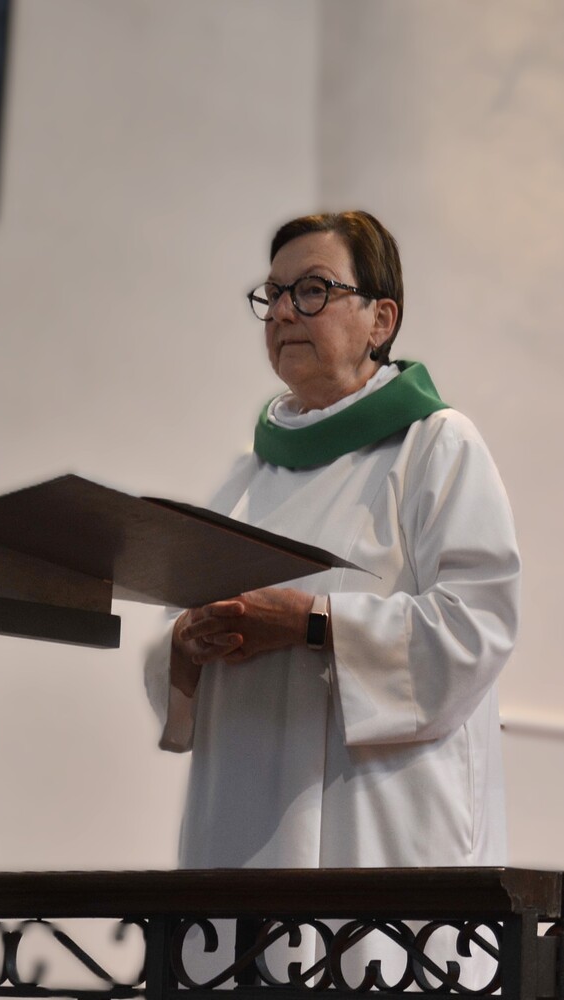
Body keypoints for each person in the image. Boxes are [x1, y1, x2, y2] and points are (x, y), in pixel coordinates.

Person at [144, 211, 519, 879]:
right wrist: (184, 643)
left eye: (312, 290)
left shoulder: (435, 445)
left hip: (379, 833)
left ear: (380, 320)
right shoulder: (246, 475)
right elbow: (172, 639)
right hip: (237, 838)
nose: (284, 311)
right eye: (273, 294)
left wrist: (311, 623)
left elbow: (476, 627)